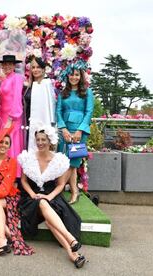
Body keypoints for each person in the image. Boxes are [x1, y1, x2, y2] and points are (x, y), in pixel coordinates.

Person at [18, 124, 86, 268]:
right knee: (41, 203)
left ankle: (73, 254)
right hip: (30, 198)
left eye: (43, 139)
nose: (40, 143)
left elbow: (61, 185)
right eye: (38, 140)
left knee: (50, 221)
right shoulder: (28, 157)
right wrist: (32, 194)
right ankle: (71, 239)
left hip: (51, 196)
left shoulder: (58, 160)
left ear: (50, 141)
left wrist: (49, 197)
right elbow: (23, 181)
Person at [0, 126, 34, 256]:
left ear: (9, 147)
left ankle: (1, 241)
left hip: (10, 197)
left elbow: (5, 187)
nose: (3, 145)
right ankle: (10, 236)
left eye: (6, 143)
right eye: (1, 142)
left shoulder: (12, 162)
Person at [56, 61, 94, 204]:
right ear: (68, 76)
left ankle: (58, 191)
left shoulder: (87, 92)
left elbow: (89, 112)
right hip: (64, 131)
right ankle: (75, 192)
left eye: (77, 75)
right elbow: (58, 112)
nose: (74, 77)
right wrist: (63, 129)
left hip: (79, 131)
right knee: (65, 162)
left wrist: (79, 130)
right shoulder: (62, 93)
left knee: (73, 162)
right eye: (71, 75)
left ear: (81, 76)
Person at [0, 54, 24, 177]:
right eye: (5, 64)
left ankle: (14, 176)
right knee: (3, 146)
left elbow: (17, 98)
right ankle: (4, 175)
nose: (7, 66)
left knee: (12, 146)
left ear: (14, 66)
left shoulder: (17, 78)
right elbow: (1, 103)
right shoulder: (4, 80)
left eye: (9, 64)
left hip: (13, 118)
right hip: (3, 119)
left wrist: (12, 118)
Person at [23, 57, 56, 152]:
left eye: (38, 67)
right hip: (29, 123)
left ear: (43, 69)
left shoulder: (46, 84)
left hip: (42, 124)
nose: (35, 70)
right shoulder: (30, 85)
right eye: (33, 67)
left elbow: (51, 107)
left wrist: (50, 128)